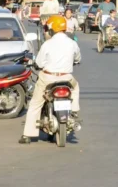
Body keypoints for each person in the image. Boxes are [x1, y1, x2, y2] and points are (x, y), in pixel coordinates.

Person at [19, 15, 81, 144]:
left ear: (52, 29)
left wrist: (36, 64)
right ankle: (74, 110)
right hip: (66, 78)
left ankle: (27, 135)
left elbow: (40, 63)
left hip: (47, 78)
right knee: (75, 88)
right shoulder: (72, 43)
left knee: (35, 104)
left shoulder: (47, 44)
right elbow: (78, 58)